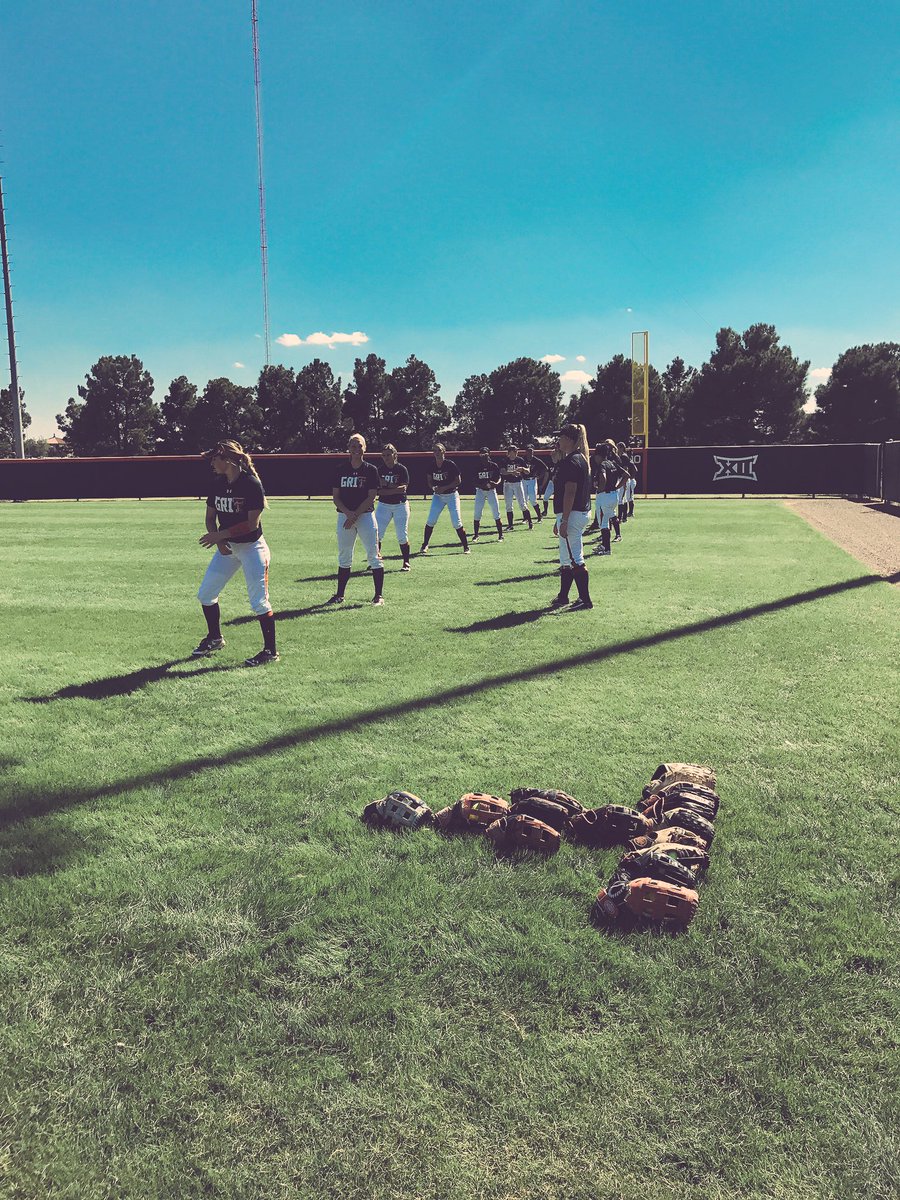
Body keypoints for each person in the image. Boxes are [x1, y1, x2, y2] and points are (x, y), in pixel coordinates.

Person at [194, 440, 278, 666]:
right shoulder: (217, 483)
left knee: (259, 602)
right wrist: (219, 540)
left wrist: (220, 536)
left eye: (215, 458)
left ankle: (270, 652)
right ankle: (215, 638)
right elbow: (210, 518)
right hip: (228, 548)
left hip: (252, 548)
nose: (212, 463)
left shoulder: (251, 484)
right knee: (206, 594)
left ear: (227, 459)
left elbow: (251, 525)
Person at [329, 433, 385, 605]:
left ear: (365, 448)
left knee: (373, 555)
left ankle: (378, 596)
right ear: (348, 448)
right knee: (344, 556)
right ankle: (340, 595)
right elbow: (336, 496)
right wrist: (348, 514)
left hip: (365, 516)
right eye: (353, 445)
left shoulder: (370, 470)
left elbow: (371, 496)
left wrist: (354, 516)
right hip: (344, 516)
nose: (356, 449)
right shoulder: (340, 470)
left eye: (359, 445)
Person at [549, 424, 593, 610]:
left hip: (573, 515)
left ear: (569, 439)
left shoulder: (572, 461)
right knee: (566, 559)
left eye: (561, 437)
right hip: (575, 513)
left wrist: (565, 520)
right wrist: (559, 519)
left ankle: (585, 600)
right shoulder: (580, 458)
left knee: (575, 558)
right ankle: (563, 597)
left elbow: (570, 491)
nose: (558, 440)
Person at [419, 443, 470, 555]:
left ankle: (466, 546)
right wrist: (433, 487)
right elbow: (429, 480)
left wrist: (444, 488)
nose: (436, 453)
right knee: (431, 520)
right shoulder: (432, 466)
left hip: (451, 495)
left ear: (444, 451)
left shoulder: (450, 464)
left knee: (457, 522)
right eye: (434, 451)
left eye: (439, 450)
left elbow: (458, 481)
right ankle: (425, 544)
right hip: (438, 496)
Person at [375, 443, 412, 571]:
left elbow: (403, 489)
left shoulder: (401, 469)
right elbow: (378, 491)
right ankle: (376, 560)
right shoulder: (379, 470)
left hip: (400, 505)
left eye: (388, 455)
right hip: (383, 505)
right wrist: (393, 489)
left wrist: (387, 485)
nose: (386, 457)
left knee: (402, 535)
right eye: (383, 455)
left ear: (394, 455)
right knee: (377, 534)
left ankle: (406, 562)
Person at [592, 440, 623, 556]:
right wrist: (616, 487)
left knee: (604, 524)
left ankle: (607, 549)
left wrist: (600, 489)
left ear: (598, 455)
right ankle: (604, 546)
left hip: (604, 496)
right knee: (607, 520)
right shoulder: (612, 463)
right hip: (613, 495)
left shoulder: (603, 465)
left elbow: (603, 478)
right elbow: (626, 475)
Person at [471, 446, 505, 542]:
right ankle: (476, 535)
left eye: (485, 453)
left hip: (491, 491)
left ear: (489, 454)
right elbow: (474, 481)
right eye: (481, 454)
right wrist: (482, 485)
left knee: (496, 512)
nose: (483, 456)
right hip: (480, 491)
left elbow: (499, 478)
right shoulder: (477, 467)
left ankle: (501, 535)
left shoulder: (493, 466)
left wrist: (496, 484)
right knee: (477, 512)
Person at [501, 445, 533, 531]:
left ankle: (530, 522)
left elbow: (528, 471)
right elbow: (502, 471)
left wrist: (522, 468)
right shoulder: (505, 460)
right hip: (508, 484)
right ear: (509, 452)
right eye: (513, 451)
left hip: (518, 483)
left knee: (522, 504)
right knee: (508, 505)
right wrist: (512, 472)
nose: (515, 453)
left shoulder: (520, 460)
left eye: (515, 451)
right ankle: (510, 525)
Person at [521, 446, 548, 523]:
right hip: (523, 480)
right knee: (524, 500)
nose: (529, 454)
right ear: (526, 452)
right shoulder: (523, 460)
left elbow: (545, 468)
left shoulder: (536, 460)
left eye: (531, 452)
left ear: (533, 453)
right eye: (528, 452)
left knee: (533, 499)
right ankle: (525, 518)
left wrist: (540, 476)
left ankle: (539, 517)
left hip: (532, 480)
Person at [542, 443, 561, 518]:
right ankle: (545, 511)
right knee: (545, 497)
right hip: (551, 483)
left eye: (554, 454)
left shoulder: (561, 463)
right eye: (552, 455)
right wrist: (543, 484)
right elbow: (547, 474)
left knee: (558, 498)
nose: (553, 456)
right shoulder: (550, 464)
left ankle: (559, 511)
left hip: (559, 483)